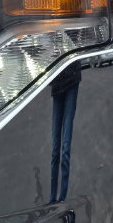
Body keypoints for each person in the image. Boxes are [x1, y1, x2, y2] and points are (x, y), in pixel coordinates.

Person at [49, 61, 81, 204]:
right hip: (57, 84)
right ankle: (52, 199)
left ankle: (62, 198)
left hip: (72, 81)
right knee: (56, 149)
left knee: (65, 148)